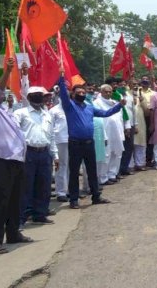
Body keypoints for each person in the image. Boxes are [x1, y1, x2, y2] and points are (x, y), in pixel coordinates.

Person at [0, 58, 33, 254]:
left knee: (14, 200)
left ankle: (13, 233)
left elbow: (25, 98)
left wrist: (24, 76)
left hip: (15, 161)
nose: (2, 93)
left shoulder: (7, 111)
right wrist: (7, 71)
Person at [58, 66, 120, 209]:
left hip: (88, 143)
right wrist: (61, 79)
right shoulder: (70, 106)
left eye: (83, 92)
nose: (81, 94)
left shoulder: (89, 107)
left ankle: (96, 196)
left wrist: (119, 106)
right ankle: (74, 200)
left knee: (92, 171)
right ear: (73, 95)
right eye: (78, 92)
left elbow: (105, 113)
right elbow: (62, 94)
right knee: (74, 172)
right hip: (75, 144)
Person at [13, 87, 55, 226]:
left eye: (41, 95)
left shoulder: (47, 114)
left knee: (44, 185)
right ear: (29, 97)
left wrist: (55, 155)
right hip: (28, 153)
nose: (39, 98)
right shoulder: (20, 113)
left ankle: (40, 214)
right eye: (35, 95)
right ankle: (20, 218)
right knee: (26, 186)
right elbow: (14, 134)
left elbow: (52, 135)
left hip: (44, 152)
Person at [95, 84, 126, 185]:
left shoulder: (114, 102)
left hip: (117, 132)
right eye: (106, 92)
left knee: (117, 153)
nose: (108, 93)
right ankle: (103, 177)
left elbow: (120, 117)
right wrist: (103, 134)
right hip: (106, 132)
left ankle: (112, 174)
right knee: (106, 155)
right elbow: (98, 120)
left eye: (110, 92)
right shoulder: (97, 103)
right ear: (101, 92)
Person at [49, 100, 70, 202]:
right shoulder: (54, 110)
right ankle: (61, 192)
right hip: (60, 140)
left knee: (71, 166)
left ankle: (70, 190)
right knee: (61, 166)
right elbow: (50, 127)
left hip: (73, 139)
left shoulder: (73, 107)